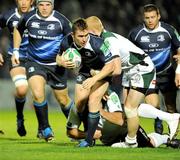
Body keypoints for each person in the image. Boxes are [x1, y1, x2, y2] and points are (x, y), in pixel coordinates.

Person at [85, 16, 179, 148]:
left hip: (141, 69)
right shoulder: (105, 38)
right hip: (131, 70)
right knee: (130, 107)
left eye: (86, 34)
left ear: (92, 32)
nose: (85, 38)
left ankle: (131, 141)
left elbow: (116, 70)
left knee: (130, 108)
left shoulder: (109, 41)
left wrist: (97, 76)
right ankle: (169, 118)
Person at [11, 0, 73, 141]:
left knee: (63, 100)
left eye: (48, 4)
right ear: (37, 5)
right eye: (41, 4)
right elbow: (18, 30)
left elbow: (72, 39)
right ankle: (45, 129)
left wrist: (66, 57)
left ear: (53, 5)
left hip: (57, 65)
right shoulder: (28, 17)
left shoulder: (61, 20)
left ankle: (75, 126)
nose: (44, 8)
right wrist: (15, 51)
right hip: (35, 62)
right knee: (38, 95)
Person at [56, 18, 117, 147]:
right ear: (73, 35)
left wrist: (94, 79)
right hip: (85, 71)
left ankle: (88, 141)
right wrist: (62, 62)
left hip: (103, 72)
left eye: (86, 35)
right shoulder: (66, 42)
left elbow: (111, 66)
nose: (84, 39)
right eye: (80, 36)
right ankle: (89, 133)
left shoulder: (98, 43)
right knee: (80, 101)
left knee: (93, 100)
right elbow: (58, 57)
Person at [128, 4, 180, 134]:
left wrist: (178, 71)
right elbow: (129, 54)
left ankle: (172, 137)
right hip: (148, 75)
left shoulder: (169, 30)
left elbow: (179, 50)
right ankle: (158, 132)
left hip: (167, 73)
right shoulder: (135, 34)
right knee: (153, 107)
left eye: (152, 17)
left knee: (171, 107)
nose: (150, 20)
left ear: (159, 16)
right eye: (147, 18)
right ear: (143, 18)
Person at [67, 90, 180, 148]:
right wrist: (88, 135)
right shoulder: (77, 107)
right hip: (108, 139)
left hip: (126, 128)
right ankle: (169, 125)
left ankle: (166, 138)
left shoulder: (110, 96)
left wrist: (99, 111)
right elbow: (70, 132)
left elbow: (120, 120)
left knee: (149, 145)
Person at [0, 0, 35, 137]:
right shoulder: (8, 16)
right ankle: (20, 117)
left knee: (38, 94)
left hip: (36, 58)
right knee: (22, 89)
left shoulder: (39, 15)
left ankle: (43, 127)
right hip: (16, 57)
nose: (24, 2)